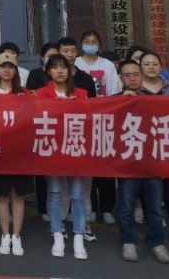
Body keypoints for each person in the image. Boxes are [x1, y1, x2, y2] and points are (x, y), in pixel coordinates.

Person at [114, 59, 169, 263]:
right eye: (127, 75)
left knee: (154, 208)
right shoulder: (114, 101)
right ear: (121, 79)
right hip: (127, 165)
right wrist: (121, 101)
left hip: (151, 164)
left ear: (141, 76)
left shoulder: (156, 100)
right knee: (126, 207)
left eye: (135, 74)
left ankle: (157, 243)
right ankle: (128, 242)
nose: (132, 78)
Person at [0, 52, 34, 256]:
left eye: (10, 66)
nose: (6, 70)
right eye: (3, 66)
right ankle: (5, 234)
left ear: (15, 70)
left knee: (18, 195)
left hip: (20, 152)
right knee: (2, 195)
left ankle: (16, 235)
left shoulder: (25, 94)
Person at [37, 54, 88, 260]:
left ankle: (78, 236)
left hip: (75, 150)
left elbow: (92, 121)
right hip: (52, 151)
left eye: (63, 67)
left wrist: (77, 107)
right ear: (48, 71)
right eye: (55, 67)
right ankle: (57, 233)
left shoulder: (82, 94)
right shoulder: (39, 94)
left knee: (77, 195)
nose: (59, 71)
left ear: (69, 70)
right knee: (55, 193)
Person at [138, 51, 169, 246]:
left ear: (161, 66)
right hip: (144, 145)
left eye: (155, 63)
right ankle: (154, 226)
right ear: (140, 67)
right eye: (146, 64)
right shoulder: (134, 88)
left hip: (168, 144)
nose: (151, 67)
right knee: (148, 187)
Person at [74, 31, 119, 226]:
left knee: (104, 165)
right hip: (82, 121)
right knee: (86, 165)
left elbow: (114, 91)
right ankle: (90, 207)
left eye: (94, 42)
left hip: (104, 118)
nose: (90, 44)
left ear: (99, 44)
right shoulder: (76, 63)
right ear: (81, 43)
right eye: (87, 41)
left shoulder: (107, 65)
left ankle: (107, 208)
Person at [56, 37, 98, 242]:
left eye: (73, 51)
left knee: (82, 188)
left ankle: (84, 223)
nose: (70, 55)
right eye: (66, 51)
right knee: (60, 189)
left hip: (80, 138)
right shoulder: (49, 80)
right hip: (56, 139)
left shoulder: (85, 80)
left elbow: (95, 108)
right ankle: (59, 224)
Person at [25, 42, 59, 223]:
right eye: (49, 56)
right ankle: (43, 207)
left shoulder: (65, 77)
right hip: (42, 125)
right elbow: (31, 101)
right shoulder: (35, 74)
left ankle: (61, 209)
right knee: (41, 170)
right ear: (42, 57)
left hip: (60, 128)